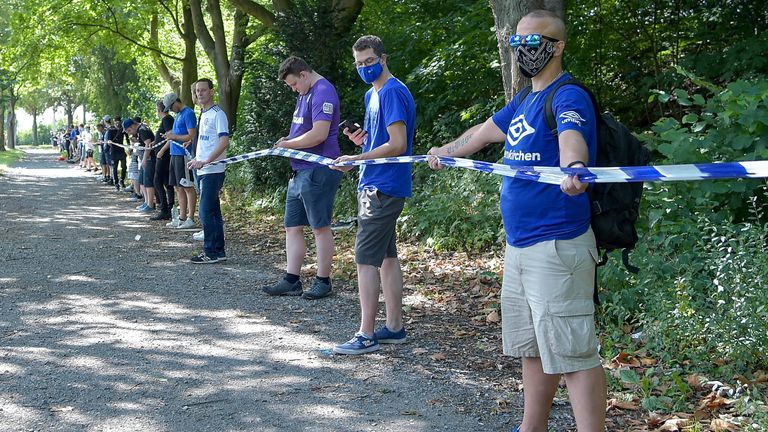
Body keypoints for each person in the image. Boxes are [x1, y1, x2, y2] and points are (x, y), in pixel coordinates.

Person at [427, 10, 605, 432]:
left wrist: (574, 168)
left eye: (533, 42)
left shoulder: (567, 95)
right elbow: (484, 133)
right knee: (532, 347)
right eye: (517, 43)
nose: (524, 50)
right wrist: (446, 150)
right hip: (521, 246)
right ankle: (531, 427)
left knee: (574, 354)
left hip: (558, 246)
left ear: (557, 46)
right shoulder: (524, 101)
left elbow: (572, 136)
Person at [330, 35, 416, 354]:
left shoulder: (393, 91)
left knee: (365, 259)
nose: (365, 68)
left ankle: (365, 334)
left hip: (383, 187)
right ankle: (394, 327)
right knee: (386, 258)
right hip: (373, 182)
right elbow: (378, 143)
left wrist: (357, 159)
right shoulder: (372, 94)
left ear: (383, 58)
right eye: (359, 63)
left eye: (369, 61)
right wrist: (360, 145)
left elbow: (397, 144)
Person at [262, 56, 343, 300]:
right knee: (292, 227)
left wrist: (287, 144)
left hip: (318, 169)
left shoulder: (323, 91)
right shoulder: (304, 93)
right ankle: (291, 279)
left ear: (304, 75)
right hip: (299, 171)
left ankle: (323, 281)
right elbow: (300, 130)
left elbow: (318, 134)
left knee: (320, 227)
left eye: (294, 84)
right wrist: (286, 143)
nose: (293, 89)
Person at [186, 78, 229, 263]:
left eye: (203, 90)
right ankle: (218, 251)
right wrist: (197, 159)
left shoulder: (218, 114)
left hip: (214, 170)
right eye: (197, 91)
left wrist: (207, 161)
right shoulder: (203, 114)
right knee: (213, 211)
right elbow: (206, 142)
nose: (200, 93)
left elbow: (224, 141)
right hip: (202, 169)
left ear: (211, 91)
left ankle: (211, 252)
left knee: (205, 211)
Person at [161, 92, 198, 229]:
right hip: (174, 154)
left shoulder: (188, 113)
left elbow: (191, 136)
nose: (170, 110)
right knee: (178, 186)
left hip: (184, 155)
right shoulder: (178, 115)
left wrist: (174, 137)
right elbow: (176, 135)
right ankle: (181, 217)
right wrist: (170, 136)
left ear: (176, 102)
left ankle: (190, 218)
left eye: (171, 107)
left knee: (187, 185)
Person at [123, 117, 157, 213]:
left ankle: (151, 204)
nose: (129, 133)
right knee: (142, 181)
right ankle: (146, 202)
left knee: (148, 182)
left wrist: (145, 159)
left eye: (129, 130)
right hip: (143, 159)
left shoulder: (142, 130)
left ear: (133, 125)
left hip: (149, 159)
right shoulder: (139, 131)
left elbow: (148, 144)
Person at [152, 100, 175, 221]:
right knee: (167, 181)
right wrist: (154, 143)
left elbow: (170, 137)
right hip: (164, 155)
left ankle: (164, 208)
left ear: (159, 109)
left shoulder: (167, 119)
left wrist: (161, 151)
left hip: (164, 156)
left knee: (157, 181)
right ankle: (170, 208)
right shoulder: (167, 120)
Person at [106, 116, 128, 191]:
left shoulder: (122, 129)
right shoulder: (111, 129)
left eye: (119, 121)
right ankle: (116, 183)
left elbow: (127, 138)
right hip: (114, 151)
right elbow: (108, 139)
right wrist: (109, 142)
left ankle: (122, 180)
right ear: (114, 122)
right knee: (114, 168)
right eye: (116, 122)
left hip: (121, 150)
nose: (117, 123)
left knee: (124, 166)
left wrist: (129, 146)